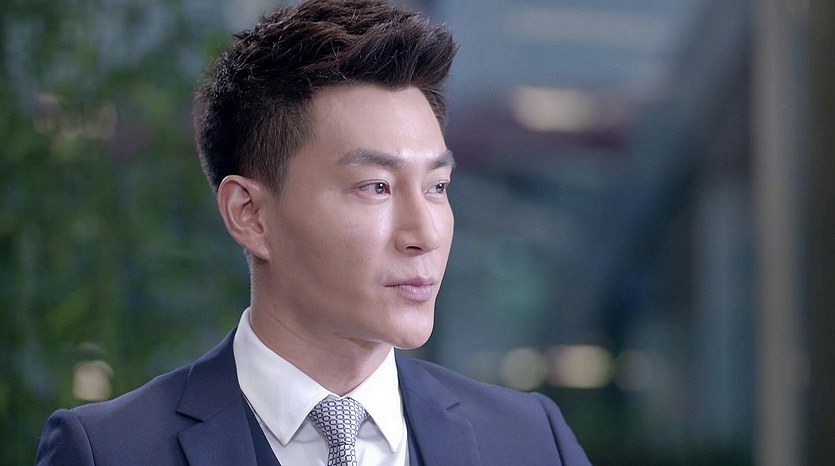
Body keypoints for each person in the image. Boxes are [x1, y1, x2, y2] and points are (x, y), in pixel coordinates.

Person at [35, 1, 592, 465]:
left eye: (437, 186)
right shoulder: (110, 450)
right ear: (249, 214)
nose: (424, 233)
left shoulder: (529, 439)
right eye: (376, 187)